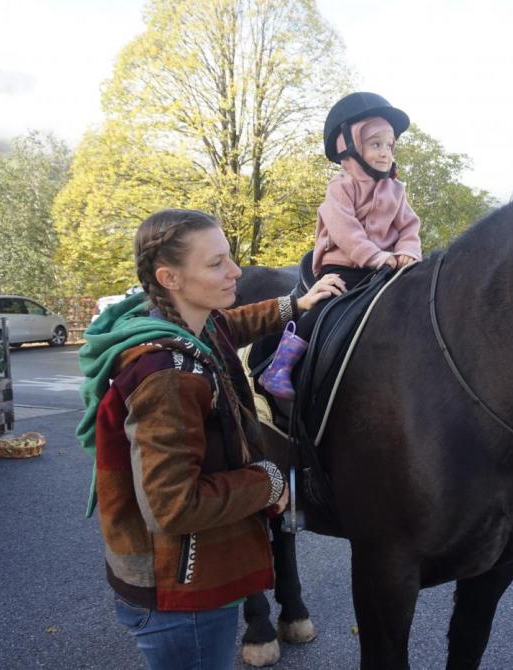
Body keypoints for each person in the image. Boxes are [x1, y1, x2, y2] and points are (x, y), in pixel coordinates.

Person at [76, 209, 344, 669]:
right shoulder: (168, 378)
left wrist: (295, 306)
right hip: (181, 594)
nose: (236, 271)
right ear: (170, 277)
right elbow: (172, 507)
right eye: (217, 263)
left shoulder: (188, 324)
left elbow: (233, 324)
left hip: (186, 577)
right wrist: (270, 482)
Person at [259, 91, 421, 399]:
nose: (385, 152)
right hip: (345, 265)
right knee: (326, 308)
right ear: (350, 147)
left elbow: (409, 226)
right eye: (376, 145)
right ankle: (278, 367)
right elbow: (344, 229)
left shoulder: (396, 190)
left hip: (384, 267)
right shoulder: (340, 188)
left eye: (389, 145)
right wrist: (374, 256)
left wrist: (407, 253)